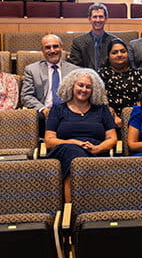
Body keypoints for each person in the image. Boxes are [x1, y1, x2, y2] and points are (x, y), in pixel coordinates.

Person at [44, 68, 117, 200]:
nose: (84, 90)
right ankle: (71, 206)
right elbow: (49, 141)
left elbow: (112, 139)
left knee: (77, 158)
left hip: (96, 151)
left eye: (88, 87)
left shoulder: (101, 109)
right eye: (80, 85)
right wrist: (74, 143)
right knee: (73, 155)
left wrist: (97, 148)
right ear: (72, 86)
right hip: (65, 150)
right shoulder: (58, 109)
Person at [22, 34, 80, 135]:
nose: (52, 50)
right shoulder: (32, 70)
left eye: (55, 46)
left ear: (61, 47)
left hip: (69, 111)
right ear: (42, 50)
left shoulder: (74, 70)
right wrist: (42, 109)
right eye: (47, 47)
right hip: (44, 113)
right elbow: (26, 96)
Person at [97, 38, 142, 127]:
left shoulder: (140, 75)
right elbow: (98, 99)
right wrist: (112, 115)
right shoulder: (101, 75)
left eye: (123, 51)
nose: (119, 55)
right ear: (108, 56)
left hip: (137, 117)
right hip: (108, 117)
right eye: (114, 52)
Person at [68, 3, 117, 70]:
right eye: (95, 17)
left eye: (100, 17)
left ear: (106, 19)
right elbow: (75, 67)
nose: (98, 20)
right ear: (89, 19)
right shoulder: (78, 42)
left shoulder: (114, 41)